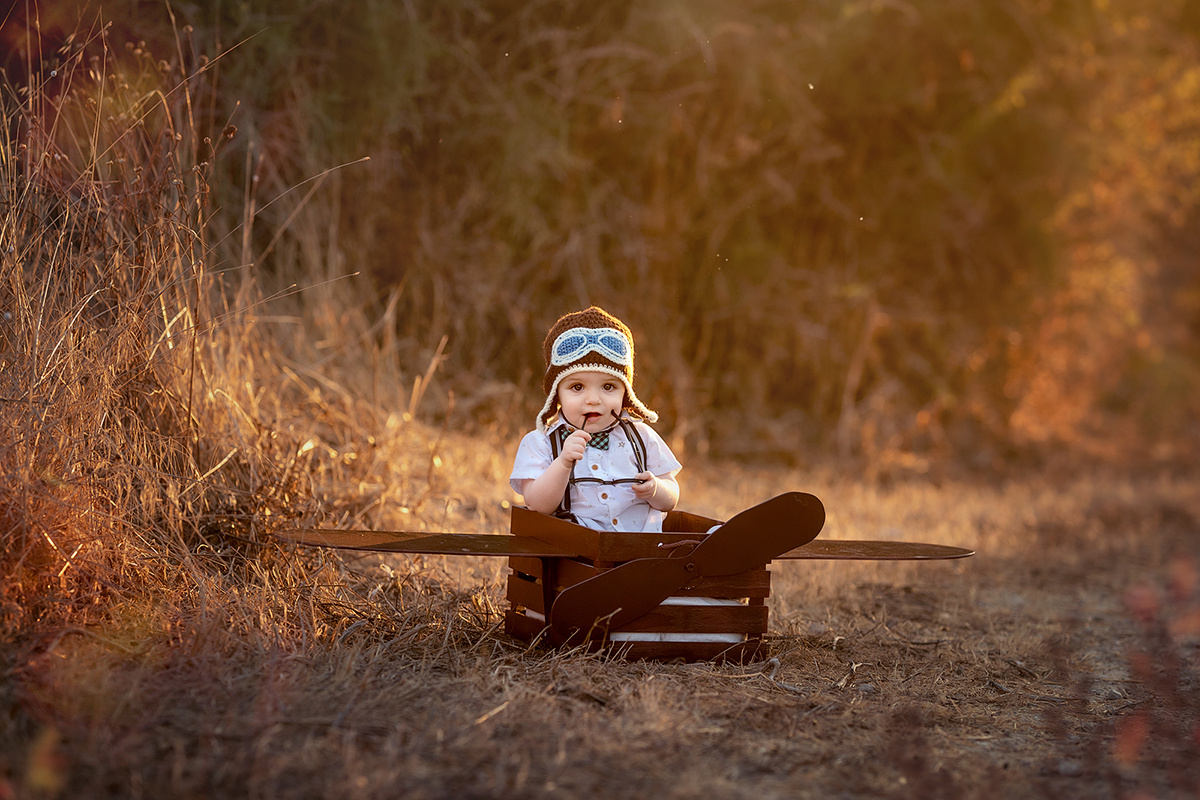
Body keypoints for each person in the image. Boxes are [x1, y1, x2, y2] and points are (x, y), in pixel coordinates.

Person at [509, 306, 681, 532]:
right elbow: (537, 505)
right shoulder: (542, 442)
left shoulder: (641, 437)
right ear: (556, 394)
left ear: (625, 393)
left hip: (640, 545)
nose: (593, 400)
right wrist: (562, 463)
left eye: (608, 387)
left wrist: (656, 489)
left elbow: (672, 496)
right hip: (578, 545)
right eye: (577, 387)